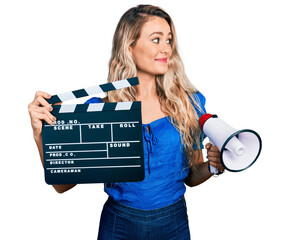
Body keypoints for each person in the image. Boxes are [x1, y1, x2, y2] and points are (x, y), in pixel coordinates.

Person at [28, 4, 224, 240]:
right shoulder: (100, 109)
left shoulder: (187, 104)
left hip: (173, 222)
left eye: (169, 40)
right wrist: (41, 134)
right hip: (119, 224)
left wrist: (215, 165)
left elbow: (192, 176)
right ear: (130, 47)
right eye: (156, 39)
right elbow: (62, 185)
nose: (166, 49)